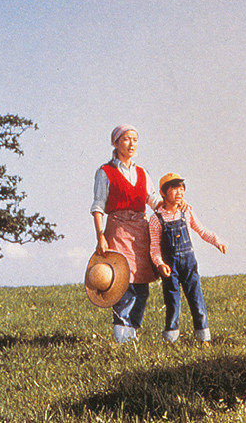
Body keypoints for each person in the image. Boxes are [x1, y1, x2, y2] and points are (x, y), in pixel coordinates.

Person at [90, 124, 162, 342]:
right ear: (115, 143)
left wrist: (171, 206)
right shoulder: (105, 172)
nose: (131, 143)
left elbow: (152, 199)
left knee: (141, 283)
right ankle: (122, 333)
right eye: (126, 139)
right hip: (118, 228)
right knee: (123, 282)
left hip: (140, 230)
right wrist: (100, 236)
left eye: (135, 139)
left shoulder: (142, 172)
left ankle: (133, 330)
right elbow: (98, 206)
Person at [149, 173, 227, 344]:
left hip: (189, 265)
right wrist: (160, 264)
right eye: (175, 188)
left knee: (197, 302)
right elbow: (154, 248)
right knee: (173, 305)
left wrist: (216, 241)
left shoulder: (187, 212)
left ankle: (204, 338)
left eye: (182, 188)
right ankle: (170, 340)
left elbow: (201, 230)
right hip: (170, 269)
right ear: (163, 192)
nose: (180, 192)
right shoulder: (156, 219)